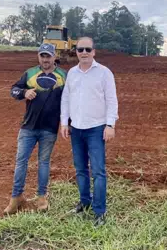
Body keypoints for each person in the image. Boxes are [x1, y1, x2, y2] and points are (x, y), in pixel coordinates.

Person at [60, 37, 118, 226]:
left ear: (94, 52)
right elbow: (66, 99)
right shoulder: (72, 73)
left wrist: (110, 125)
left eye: (87, 49)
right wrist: (64, 123)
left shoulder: (104, 73)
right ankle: (85, 202)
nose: (83, 52)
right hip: (76, 128)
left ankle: (99, 210)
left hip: (96, 128)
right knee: (80, 169)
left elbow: (111, 100)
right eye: (80, 49)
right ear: (75, 52)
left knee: (98, 171)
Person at [3, 43, 67, 215]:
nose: (45, 59)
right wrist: (24, 93)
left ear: (54, 57)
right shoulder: (30, 73)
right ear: (39, 57)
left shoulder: (63, 76)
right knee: (21, 162)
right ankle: (16, 198)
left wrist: (66, 122)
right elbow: (13, 90)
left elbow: (70, 100)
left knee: (44, 163)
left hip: (49, 129)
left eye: (48, 56)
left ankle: (41, 197)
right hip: (28, 127)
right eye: (42, 56)